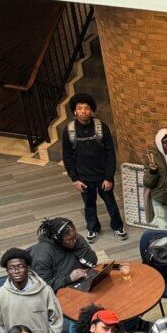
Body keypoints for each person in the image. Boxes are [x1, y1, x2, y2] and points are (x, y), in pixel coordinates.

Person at [61, 94, 127, 242]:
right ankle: (93, 228)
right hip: (83, 178)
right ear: (75, 111)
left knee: (111, 203)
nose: (83, 111)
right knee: (89, 205)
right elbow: (67, 157)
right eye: (80, 108)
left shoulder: (101, 127)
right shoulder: (69, 130)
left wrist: (109, 177)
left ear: (92, 110)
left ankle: (117, 226)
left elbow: (111, 154)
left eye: (86, 108)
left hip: (103, 176)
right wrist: (75, 179)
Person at [0, 248, 63, 333]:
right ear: (7, 271)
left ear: (28, 268)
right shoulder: (0, 295)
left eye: (20, 266)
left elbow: (56, 319)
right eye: (11, 268)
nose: (16, 271)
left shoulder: (45, 290)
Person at [32, 218, 97, 293]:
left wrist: (79, 247)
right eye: (69, 240)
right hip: (62, 290)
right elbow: (43, 287)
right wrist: (69, 278)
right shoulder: (42, 255)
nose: (74, 241)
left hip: (81, 281)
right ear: (57, 239)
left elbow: (93, 262)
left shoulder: (75, 239)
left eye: (75, 237)